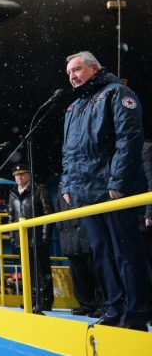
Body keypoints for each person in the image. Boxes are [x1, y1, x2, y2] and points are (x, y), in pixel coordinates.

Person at [61, 51, 151, 330]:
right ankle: (113, 309)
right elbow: (69, 152)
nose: (72, 77)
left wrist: (118, 182)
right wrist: (66, 183)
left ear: (94, 68)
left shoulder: (117, 93)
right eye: (68, 73)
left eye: (76, 70)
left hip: (113, 193)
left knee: (126, 254)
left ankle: (135, 314)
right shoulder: (74, 108)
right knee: (101, 255)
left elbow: (130, 139)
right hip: (86, 195)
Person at [8, 164, 54, 312]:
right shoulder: (13, 193)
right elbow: (11, 217)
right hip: (21, 240)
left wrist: (45, 236)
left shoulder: (39, 191)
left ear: (29, 175)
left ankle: (44, 302)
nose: (19, 177)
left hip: (38, 237)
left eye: (22, 174)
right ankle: (31, 300)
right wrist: (12, 237)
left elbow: (48, 214)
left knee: (42, 271)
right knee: (27, 272)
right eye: (16, 175)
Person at [55, 194, 101, 317]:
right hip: (69, 236)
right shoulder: (62, 188)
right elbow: (58, 212)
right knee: (78, 273)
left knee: (95, 272)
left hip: (86, 234)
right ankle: (86, 304)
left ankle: (101, 305)